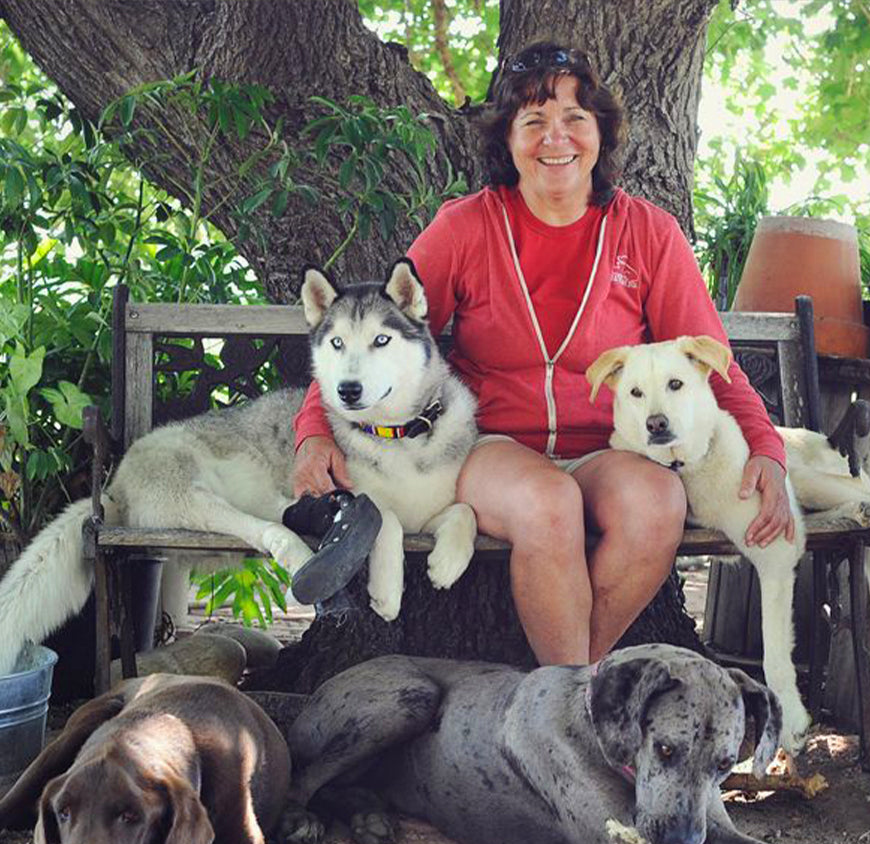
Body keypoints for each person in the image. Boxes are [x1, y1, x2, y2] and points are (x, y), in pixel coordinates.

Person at [291, 40, 792, 665]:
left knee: (660, 503)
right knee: (550, 505)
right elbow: (368, 335)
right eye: (534, 122)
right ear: (508, 139)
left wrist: (767, 449)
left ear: (601, 134)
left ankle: (565, 695)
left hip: (610, 447)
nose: (556, 138)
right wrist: (313, 431)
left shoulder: (649, 234)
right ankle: (577, 705)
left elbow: (713, 362)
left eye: (575, 119)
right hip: (492, 447)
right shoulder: (465, 226)